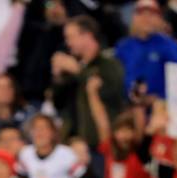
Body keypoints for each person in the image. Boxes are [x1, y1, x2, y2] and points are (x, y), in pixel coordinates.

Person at [52, 15, 124, 149]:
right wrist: (58, 77)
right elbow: (58, 103)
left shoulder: (109, 64)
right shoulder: (70, 68)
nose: (68, 43)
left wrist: (78, 71)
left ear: (87, 35)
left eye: (70, 37)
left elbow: (111, 93)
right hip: (73, 145)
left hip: (101, 144)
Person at [115, 0, 177, 100]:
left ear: (159, 19)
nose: (146, 19)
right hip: (128, 105)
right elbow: (116, 79)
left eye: (151, 15)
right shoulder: (123, 46)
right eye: (141, 14)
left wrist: (157, 99)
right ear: (134, 17)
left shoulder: (169, 45)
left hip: (161, 106)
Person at [18, 113, 83, 178]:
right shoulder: (25, 153)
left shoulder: (66, 154)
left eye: (44, 128)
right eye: (36, 128)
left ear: (53, 132)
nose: (39, 133)